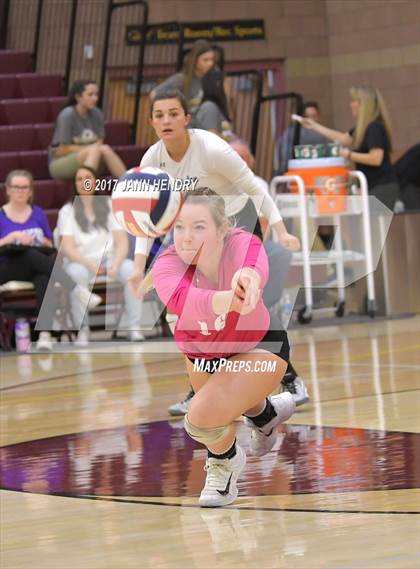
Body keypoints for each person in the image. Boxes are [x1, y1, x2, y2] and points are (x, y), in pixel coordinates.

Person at [127, 90, 302, 411]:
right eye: (160, 115)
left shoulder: (210, 149)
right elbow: (145, 216)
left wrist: (280, 228)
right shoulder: (152, 160)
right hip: (194, 228)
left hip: (238, 221)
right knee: (180, 308)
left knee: (247, 299)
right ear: (151, 121)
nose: (166, 120)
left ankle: (288, 375)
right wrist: (139, 265)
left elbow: (253, 187)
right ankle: (199, 386)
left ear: (186, 118)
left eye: (173, 113)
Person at [152, 188, 296, 507]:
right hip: (203, 355)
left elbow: (252, 265)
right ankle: (266, 414)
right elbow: (183, 300)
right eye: (179, 227)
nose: (186, 237)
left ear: (222, 229)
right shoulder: (166, 264)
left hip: (260, 345)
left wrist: (248, 283)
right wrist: (225, 301)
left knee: (200, 417)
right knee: (224, 407)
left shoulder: (242, 243)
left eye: (199, 226)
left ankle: (224, 464)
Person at [0, 170, 101, 350]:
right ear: (8, 190)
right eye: (16, 187)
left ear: (31, 191)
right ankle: (77, 289)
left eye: (25, 187)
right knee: (31, 256)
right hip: (6, 266)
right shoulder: (1, 215)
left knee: (43, 277)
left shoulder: (38, 213)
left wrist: (42, 241)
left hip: (32, 266)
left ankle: (44, 334)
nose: (21, 191)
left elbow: (48, 241)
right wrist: (12, 237)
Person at [58, 166, 143, 346]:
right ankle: (83, 330)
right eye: (79, 179)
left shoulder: (109, 205)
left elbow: (122, 242)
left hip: (110, 258)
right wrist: (90, 264)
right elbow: (67, 248)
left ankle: (134, 326)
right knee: (76, 275)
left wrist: (117, 262)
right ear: (74, 185)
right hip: (80, 261)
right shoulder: (67, 211)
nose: (83, 182)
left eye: (87, 177)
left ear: (95, 181)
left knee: (131, 271)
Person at [301, 86, 399, 210]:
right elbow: (342, 138)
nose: (351, 105)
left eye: (354, 101)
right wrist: (314, 126)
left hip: (382, 186)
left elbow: (376, 158)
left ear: (364, 105)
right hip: (372, 185)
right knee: (365, 225)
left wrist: (347, 154)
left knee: (369, 226)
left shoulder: (374, 127)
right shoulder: (362, 128)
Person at [49, 79, 126, 180]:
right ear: (78, 97)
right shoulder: (67, 115)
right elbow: (63, 149)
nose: (95, 98)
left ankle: (129, 184)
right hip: (61, 162)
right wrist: (91, 148)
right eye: (90, 95)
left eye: (96, 94)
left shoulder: (97, 114)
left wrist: (89, 148)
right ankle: (86, 194)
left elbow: (100, 143)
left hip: (92, 158)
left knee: (105, 148)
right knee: (95, 150)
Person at [152, 40, 215, 124]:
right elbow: (154, 93)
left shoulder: (206, 79)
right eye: (205, 60)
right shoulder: (181, 78)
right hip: (184, 125)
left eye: (212, 59)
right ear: (195, 60)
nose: (210, 63)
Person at [276, 101, 329, 175]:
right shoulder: (290, 133)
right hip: (296, 173)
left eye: (314, 116)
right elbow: (285, 158)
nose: (311, 120)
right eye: (307, 116)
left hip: (320, 172)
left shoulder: (325, 134)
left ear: (319, 117)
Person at [195, 68, 233, 139]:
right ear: (217, 84)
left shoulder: (217, 107)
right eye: (226, 82)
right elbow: (212, 138)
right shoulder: (209, 107)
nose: (229, 85)